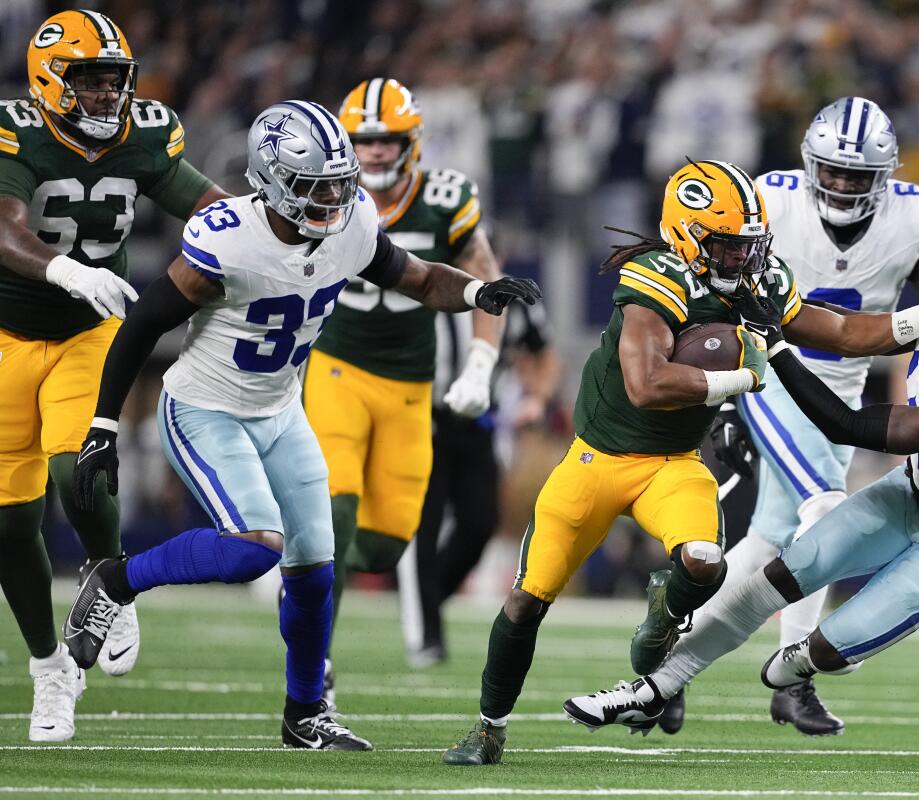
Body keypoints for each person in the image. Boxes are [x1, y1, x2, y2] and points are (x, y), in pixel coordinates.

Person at [442, 158, 919, 766]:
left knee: (704, 562)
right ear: (688, 235)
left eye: (750, 245)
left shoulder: (756, 279)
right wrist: (738, 377)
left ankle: (662, 626)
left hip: (672, 461)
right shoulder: (655, 278)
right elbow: (645, 384)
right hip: (598, 460)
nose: (743, 259)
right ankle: (489, 727)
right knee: (527, 600)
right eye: (727, 245)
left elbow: (844, 332)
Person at [63, 100, 540, 750]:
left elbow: (421, 278)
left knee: (316, 566)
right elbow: (146, 323)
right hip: (205, 407)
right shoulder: (228, 239)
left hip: (279, 408)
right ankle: (115, 579)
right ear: (272, 180)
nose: (332, 198)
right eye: (315, 186)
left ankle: (304, 712)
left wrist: (476, 293)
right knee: (253, 547)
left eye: (339, 184)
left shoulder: (350, 226)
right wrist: (104, 425)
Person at [563, 271, 919, 735]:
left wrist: (779, 345)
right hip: (911, 492)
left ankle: (803, 668)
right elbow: (859, 330)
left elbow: (846, 426)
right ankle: (653, 691)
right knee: (776, 579)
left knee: (826, 650)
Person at [0, 9, 226, 742]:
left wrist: (273, 239)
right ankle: (50, 670)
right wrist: (63, 268)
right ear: (48, 82)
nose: (104, 95)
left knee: (79, 468)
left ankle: (110, 580)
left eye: (113, 81)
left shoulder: (145, 134)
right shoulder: (16, 131)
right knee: (8, 523)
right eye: (88, 81)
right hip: (6, 331)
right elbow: (3, 223)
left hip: (90, 328)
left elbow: (209, 207)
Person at [691, 96, 919, 736]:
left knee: (767, 545)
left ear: (883, 176)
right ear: (809, 163)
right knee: (826, 512)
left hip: (841, 390)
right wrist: (721, 392)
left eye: (855, 175)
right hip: (770, 370)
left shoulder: (914, 215)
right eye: (830, 170)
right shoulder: (770, 201)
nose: (839, 184)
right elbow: (713, 284)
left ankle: (667, 660)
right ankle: (793, 678)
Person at [300, 77, 504, 709]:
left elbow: (486, 277)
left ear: (411, 141)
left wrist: (480, 363)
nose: (377, 153)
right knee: (332, 509)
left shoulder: (446, 197)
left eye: (387, 141)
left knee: (384, 546)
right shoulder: (309, 191)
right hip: (336, 368)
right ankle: (315, 665)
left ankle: (309, 572)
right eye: (364, 141)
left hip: (413, 384)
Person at [405, 298, 561, 667]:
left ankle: (427, 599)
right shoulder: (429, 287)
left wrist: (537, 398)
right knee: (423, 530)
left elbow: (545, 352)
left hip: (479, 427)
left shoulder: (516, 304)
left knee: (481, 523)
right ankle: (425, 634)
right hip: (423, 421)